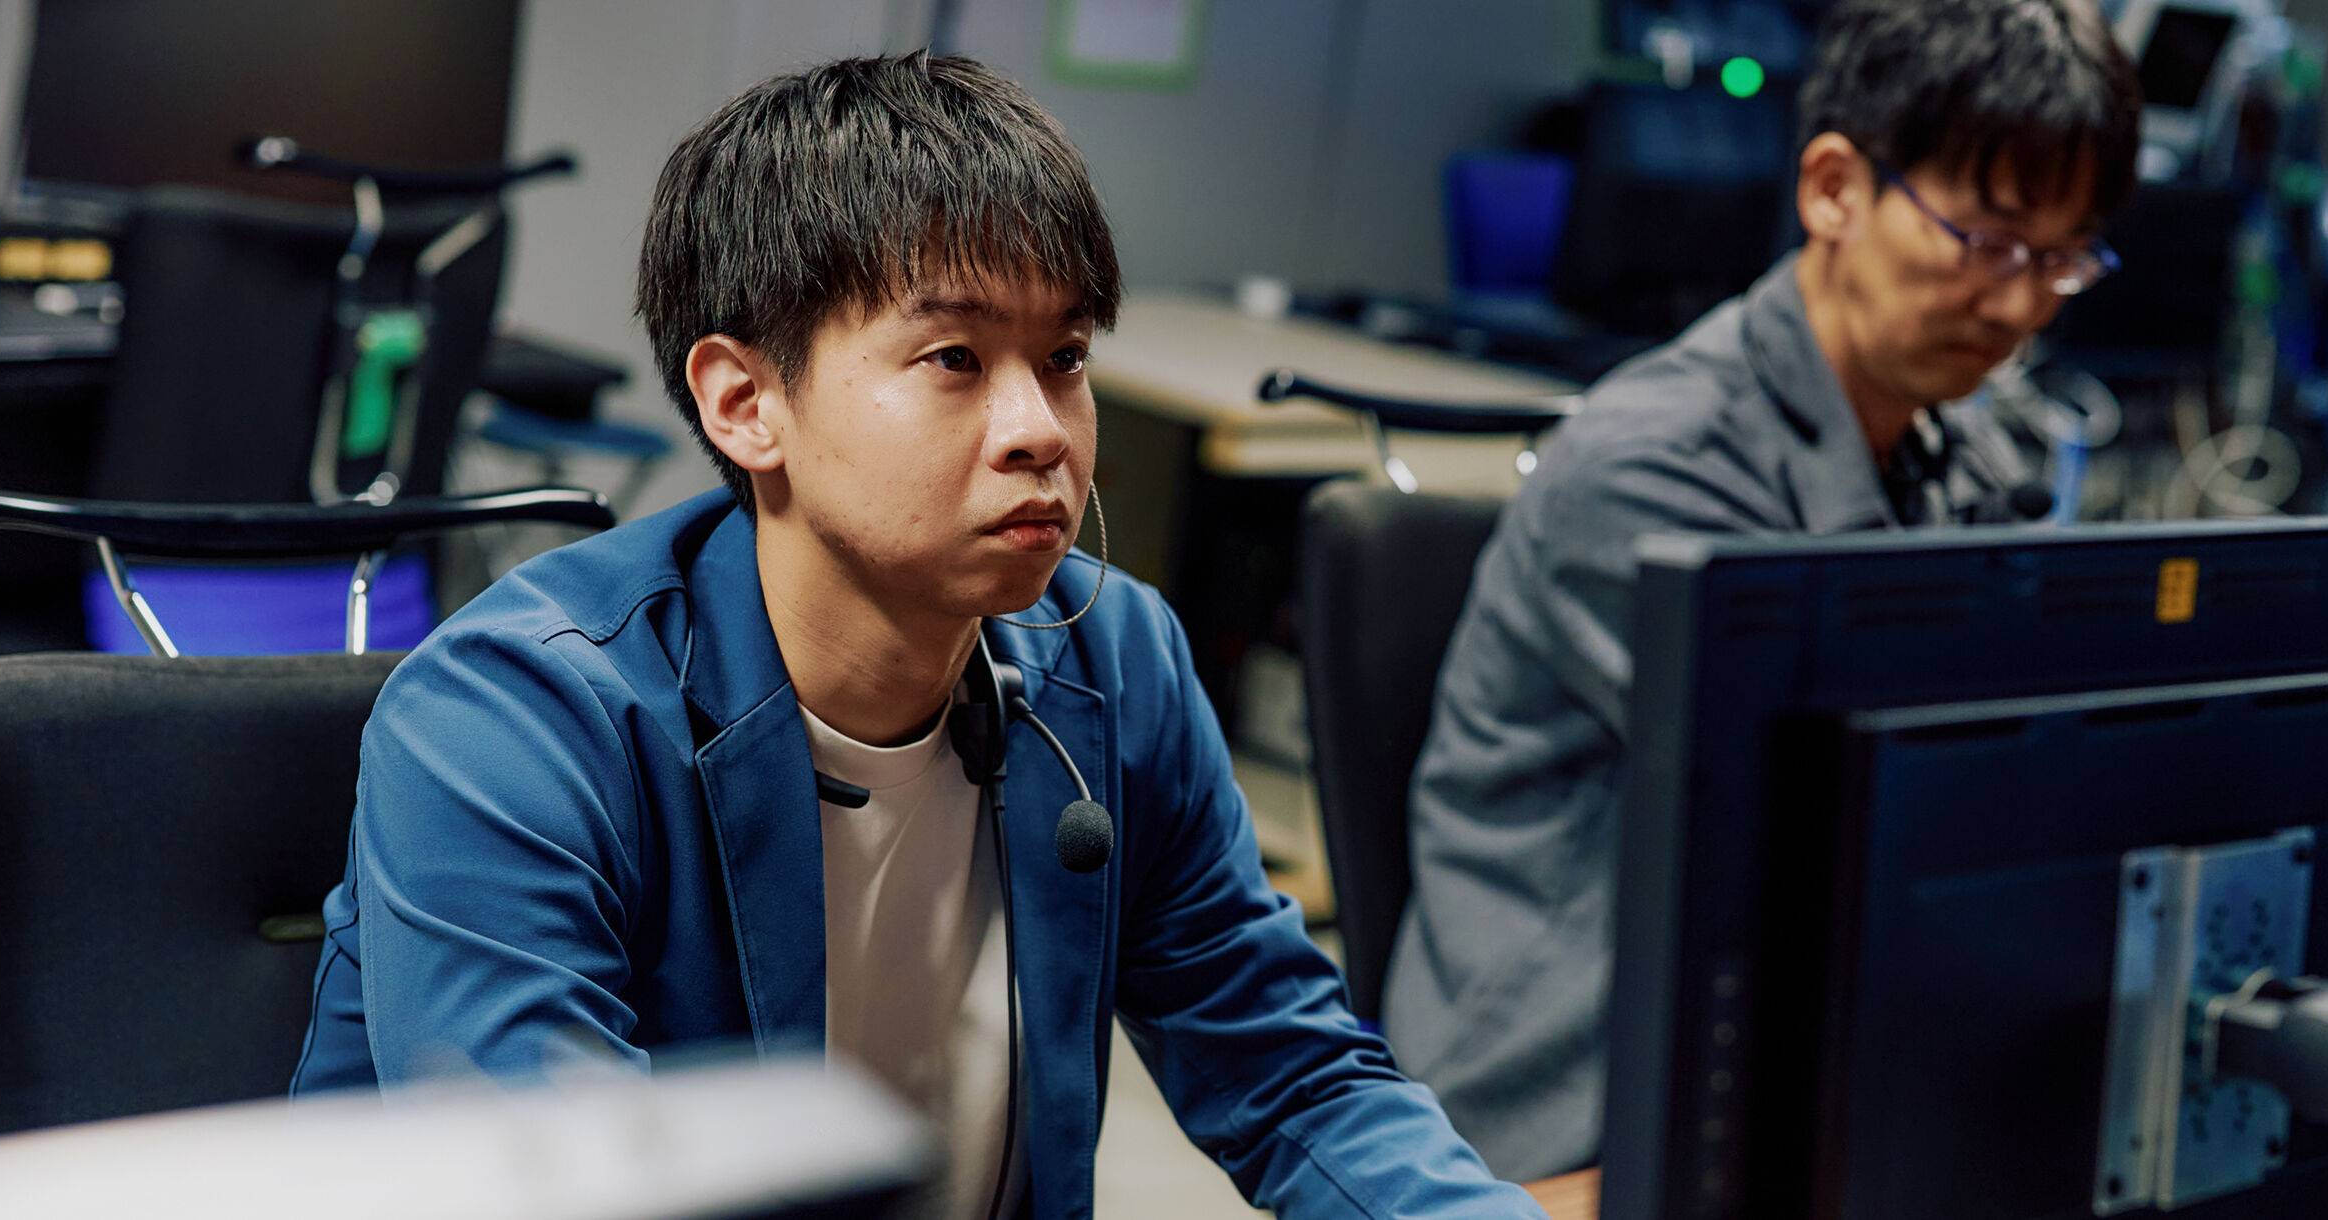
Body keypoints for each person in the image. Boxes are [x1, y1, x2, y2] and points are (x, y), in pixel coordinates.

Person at [292, 53, 1540, 1220]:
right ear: (746, 401)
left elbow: (1295, 1077)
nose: (1039, 428)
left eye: (1064, 357)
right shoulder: (517, 717)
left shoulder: (1114, 658)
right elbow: (565, 1189)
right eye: (954, 356)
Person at [1381, 0, 2143, 1182]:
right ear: (1835, 189)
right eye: (1989, 241)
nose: (2019, 306)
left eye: (2062, 258)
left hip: (1795, 1070)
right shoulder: (1656, 466)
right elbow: (1858, 818)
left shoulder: (1960, 458)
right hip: (1563, 1122)